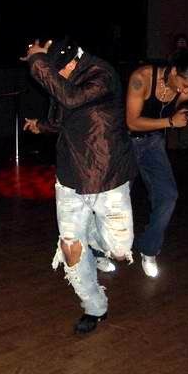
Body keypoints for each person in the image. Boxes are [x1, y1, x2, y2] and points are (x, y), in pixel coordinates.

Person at [22, 36, 137, 334]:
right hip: (71, 174)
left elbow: (72, 98)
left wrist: (37, 60)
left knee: (119, 250)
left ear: (72, 61)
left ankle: (94, 242)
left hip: (107, 174)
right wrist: (40, 126)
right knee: (71, 247)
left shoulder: (101, 73)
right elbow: (66, 116)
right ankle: (94, 306)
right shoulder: (66, 77)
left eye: (57, 70)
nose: (55, 77)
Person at [126, 50, 188, 277]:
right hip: (126, 144)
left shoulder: (184, 91)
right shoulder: (141, 78)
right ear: (173, 71)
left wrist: (180, 114)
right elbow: (132, 122)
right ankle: (100, 251)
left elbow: (176, 110)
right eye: (185, 85)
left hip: (153, 144)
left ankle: (148, 248)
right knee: (115, 201)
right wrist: (170, 121)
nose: (187, 91)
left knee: (168, 196)